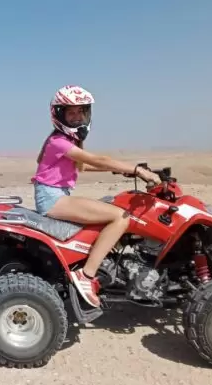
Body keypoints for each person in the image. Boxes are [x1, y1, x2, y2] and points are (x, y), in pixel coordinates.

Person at [31, 85, 161, 308]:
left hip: (56, 195)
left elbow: (81, 166)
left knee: (112, 203)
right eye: (71, 112)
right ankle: (87, 275)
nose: (77, 116)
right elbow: (96, 159)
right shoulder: (58, 142)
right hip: (53, 199)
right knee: (121, 217)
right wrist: (137, 170)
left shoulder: (64, 142)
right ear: (59, 114)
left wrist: (119, 171)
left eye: (81, 111)